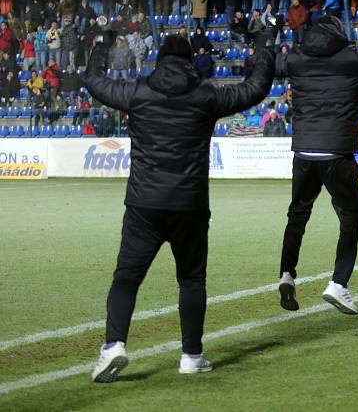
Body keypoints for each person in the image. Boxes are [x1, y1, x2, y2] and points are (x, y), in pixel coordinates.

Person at [84, 32, 274, 383]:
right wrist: (264, 46)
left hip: (144, 203)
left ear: (158, 59)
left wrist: (100, 46)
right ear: (191, 61)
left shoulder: (139, 91)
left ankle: (113, 345)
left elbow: (94, 81)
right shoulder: (206, 95)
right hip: (189, 204)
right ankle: (191, 355)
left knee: (126, 278)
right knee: (190, 280)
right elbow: (256, 88)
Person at [273, 0, 358, 316]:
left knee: (297, 214)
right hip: (336, 152)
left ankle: (287, 273)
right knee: (351, 218)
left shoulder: (297, 59)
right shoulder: (351, 58)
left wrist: (268, 34)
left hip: (303, 151)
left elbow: (267, 65)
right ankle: (338, 283)